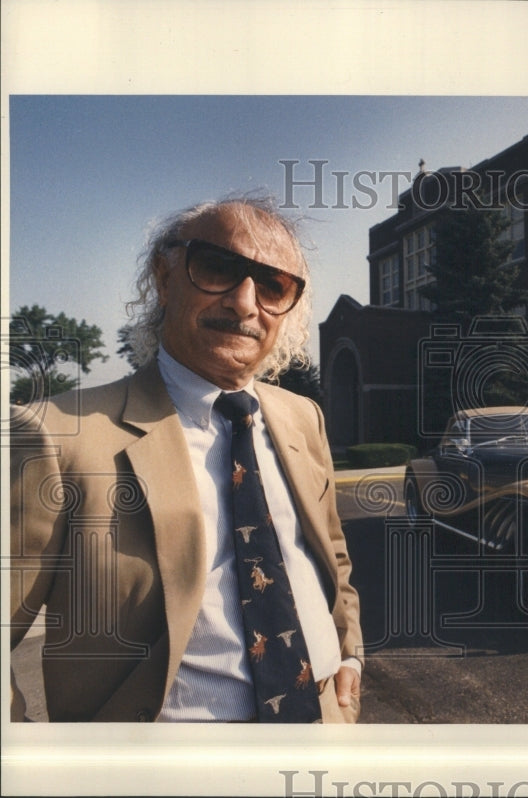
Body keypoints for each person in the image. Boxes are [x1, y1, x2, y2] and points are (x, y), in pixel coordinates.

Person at [9, 195, 363, 722]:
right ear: (164, 276)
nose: (245, 303)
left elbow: (330, 550)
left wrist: (350, 650)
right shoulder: (54, 436)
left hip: (322, 729)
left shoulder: (303, 417)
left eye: (273, 286)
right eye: (218, 267)